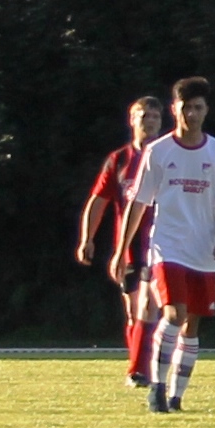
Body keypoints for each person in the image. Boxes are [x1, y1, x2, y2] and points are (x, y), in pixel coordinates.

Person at [111, 77, 215, 411]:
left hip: (203, 249)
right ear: (174, 109)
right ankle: (156, 386)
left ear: (206, 110)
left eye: (198, 108)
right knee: (173, 312)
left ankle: (177, 394)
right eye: (185, 107)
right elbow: (138, 203)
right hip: (167, 247)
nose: (191, 114)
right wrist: (121, 251)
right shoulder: (159, 151)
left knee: (192, 321)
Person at [76, 96, 164, 387]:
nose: (149, 121)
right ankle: (138, 360)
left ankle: (139, 371)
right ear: (132, 120)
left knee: (148, 305)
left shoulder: (168, 156)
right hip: (127, 247)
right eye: (144, 116)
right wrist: (87, 238)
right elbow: (98, 200)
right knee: (132, 309)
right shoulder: (120, 160)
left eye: (154, 116)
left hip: (162, 244)